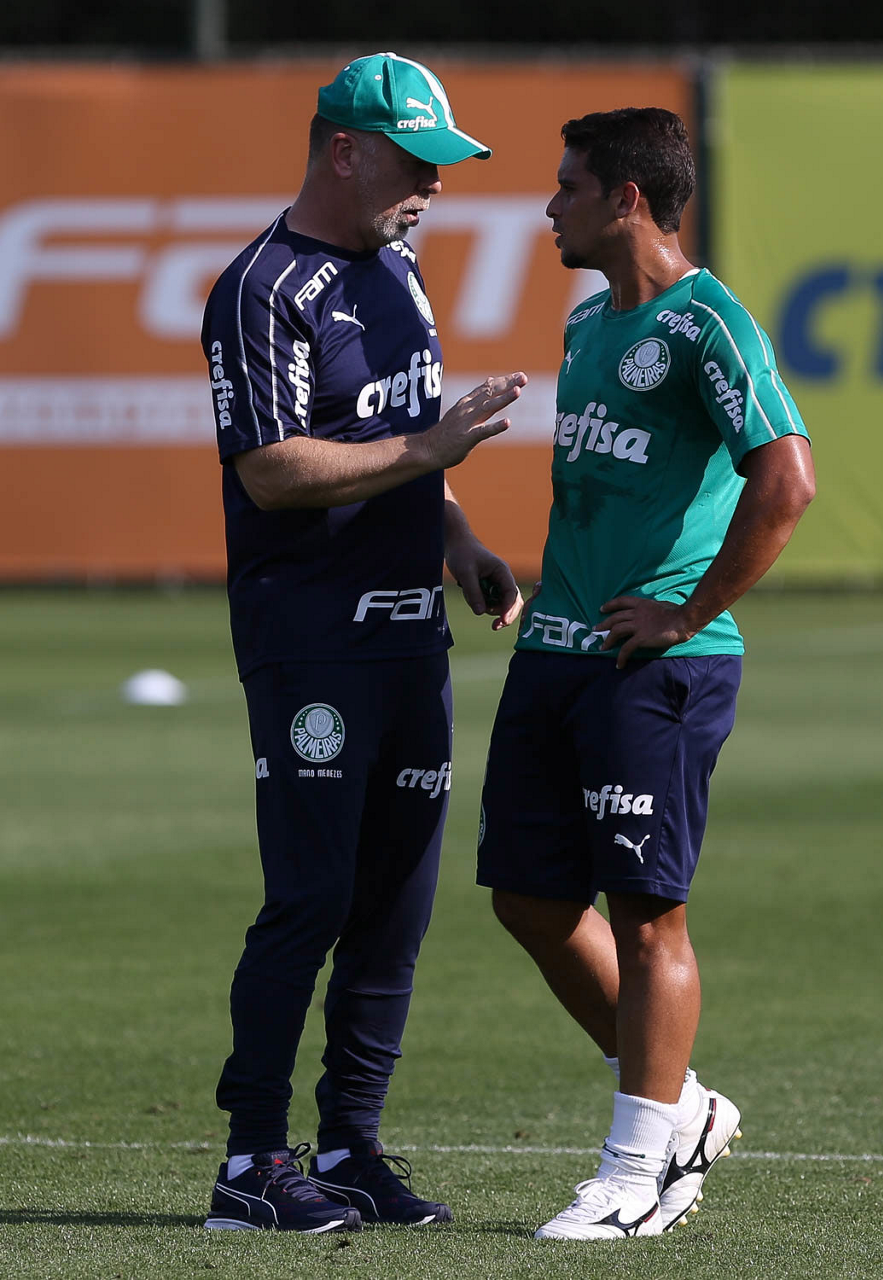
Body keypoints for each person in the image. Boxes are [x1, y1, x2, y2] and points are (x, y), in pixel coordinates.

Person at [199, 52, 526, 1235]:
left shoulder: (399, 270)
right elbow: (271, 468)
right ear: (344, 150)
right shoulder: (261, 287)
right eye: (415, 163)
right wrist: (432, 454)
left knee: (393, 906)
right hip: (310, 641)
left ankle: (350, 1144)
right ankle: (249, 1162)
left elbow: (399, 435)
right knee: (311, 896)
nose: (433, 187)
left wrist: (457, 536)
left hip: (407, 636)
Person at [477, 107, 815, 1241]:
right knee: (528, 898)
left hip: (652, 667)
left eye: (568, 186)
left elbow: (786, 479)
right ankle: (683, 1105)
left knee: (645, 916)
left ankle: (634, 1173)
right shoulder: (588, 323)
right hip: (553, 652)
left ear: (626, 199)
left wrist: (687, 611)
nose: (549, 206)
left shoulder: (709, 324)